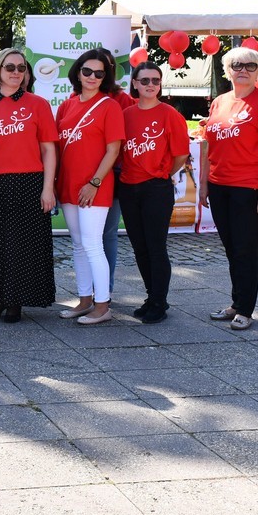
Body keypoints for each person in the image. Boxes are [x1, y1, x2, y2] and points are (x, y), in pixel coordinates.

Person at [200, 47, 258, 330]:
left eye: (250, 65)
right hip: (218, 185)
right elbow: (208, 144)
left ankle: (245, 309)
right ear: (228, 69)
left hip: (248, 188)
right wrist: (203, 185)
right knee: (231, 249)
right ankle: (236, 302)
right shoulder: (219, 102)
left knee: (246, 250)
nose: (243, 70)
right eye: (237, 65)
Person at [0, 48, 58, 322]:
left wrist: (48, 188)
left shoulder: (38, 104)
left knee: (23, 245)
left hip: (29, 182)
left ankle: (16, 302)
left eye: (21, 68)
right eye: (10, 67)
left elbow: (48, 150)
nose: (16, 73)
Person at [55, 49, 124, 325]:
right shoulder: (67, 105)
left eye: (99, 73)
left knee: (94, 245)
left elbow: (113, 150)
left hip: (95, 186)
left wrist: (94, 182)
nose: (93, 77)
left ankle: (102, 304)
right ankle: (84, 299)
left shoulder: (110, 106)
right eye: (87, 71)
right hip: (69, 184)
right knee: (78, 245)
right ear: (78, 72)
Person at [118, 61, 189, 324]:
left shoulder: (169, 114)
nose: (150, 85)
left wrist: (160, 173)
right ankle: (151, 296)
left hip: (156, 188)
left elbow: (181, 154)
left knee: (156, 246)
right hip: (127, 187)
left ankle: (159, 301)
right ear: (134, 83)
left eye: (155, 81)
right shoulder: (125, 114)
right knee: (139, 247)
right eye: (145, 80)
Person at [95, 47, 135, 302]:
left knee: (107, 233)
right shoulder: (77, 98)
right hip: (82, 175)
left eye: (104, 68)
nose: (97, 73)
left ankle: (105, 290)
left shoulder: (123, 100)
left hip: (113, 175)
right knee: (85, 239)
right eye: (91, 69)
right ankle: (88, 290)